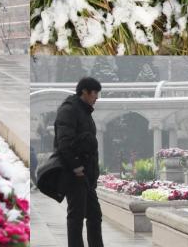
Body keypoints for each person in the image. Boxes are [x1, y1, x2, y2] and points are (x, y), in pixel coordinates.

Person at [54, 77, 103, 247]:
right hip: (75, 173)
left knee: (94, 215)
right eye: (95, 93)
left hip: (86, 175)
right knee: (76, 217)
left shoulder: (85, 111)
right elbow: (64, 142)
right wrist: (76, 167)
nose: (97, 97)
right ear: (84, 91)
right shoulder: (69, 110)